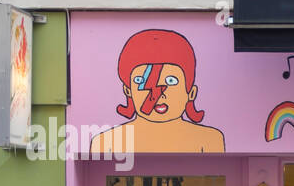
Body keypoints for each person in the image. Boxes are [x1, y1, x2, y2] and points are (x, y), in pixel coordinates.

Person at [90, 29, 225, 154]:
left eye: (171, 81)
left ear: (191, 92)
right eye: (142, 81)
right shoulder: (106, 142)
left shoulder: (208, 140)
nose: (158, 94)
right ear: (127, 90)